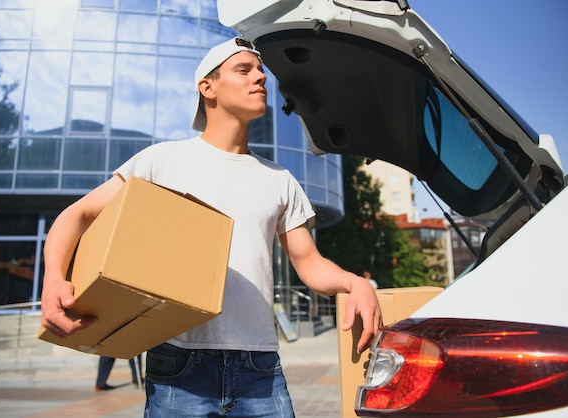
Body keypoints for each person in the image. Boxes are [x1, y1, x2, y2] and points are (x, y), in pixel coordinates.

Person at [41, 37, 381, 417]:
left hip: (260, 369)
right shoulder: (163, 160)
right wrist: (54, 277)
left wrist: (355, 282)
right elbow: (77, 215)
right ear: (208, 87)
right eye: (244, 69)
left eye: (261, 70)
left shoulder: (279, 178)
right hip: (179, 366)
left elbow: (309, 263)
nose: (261, 77)